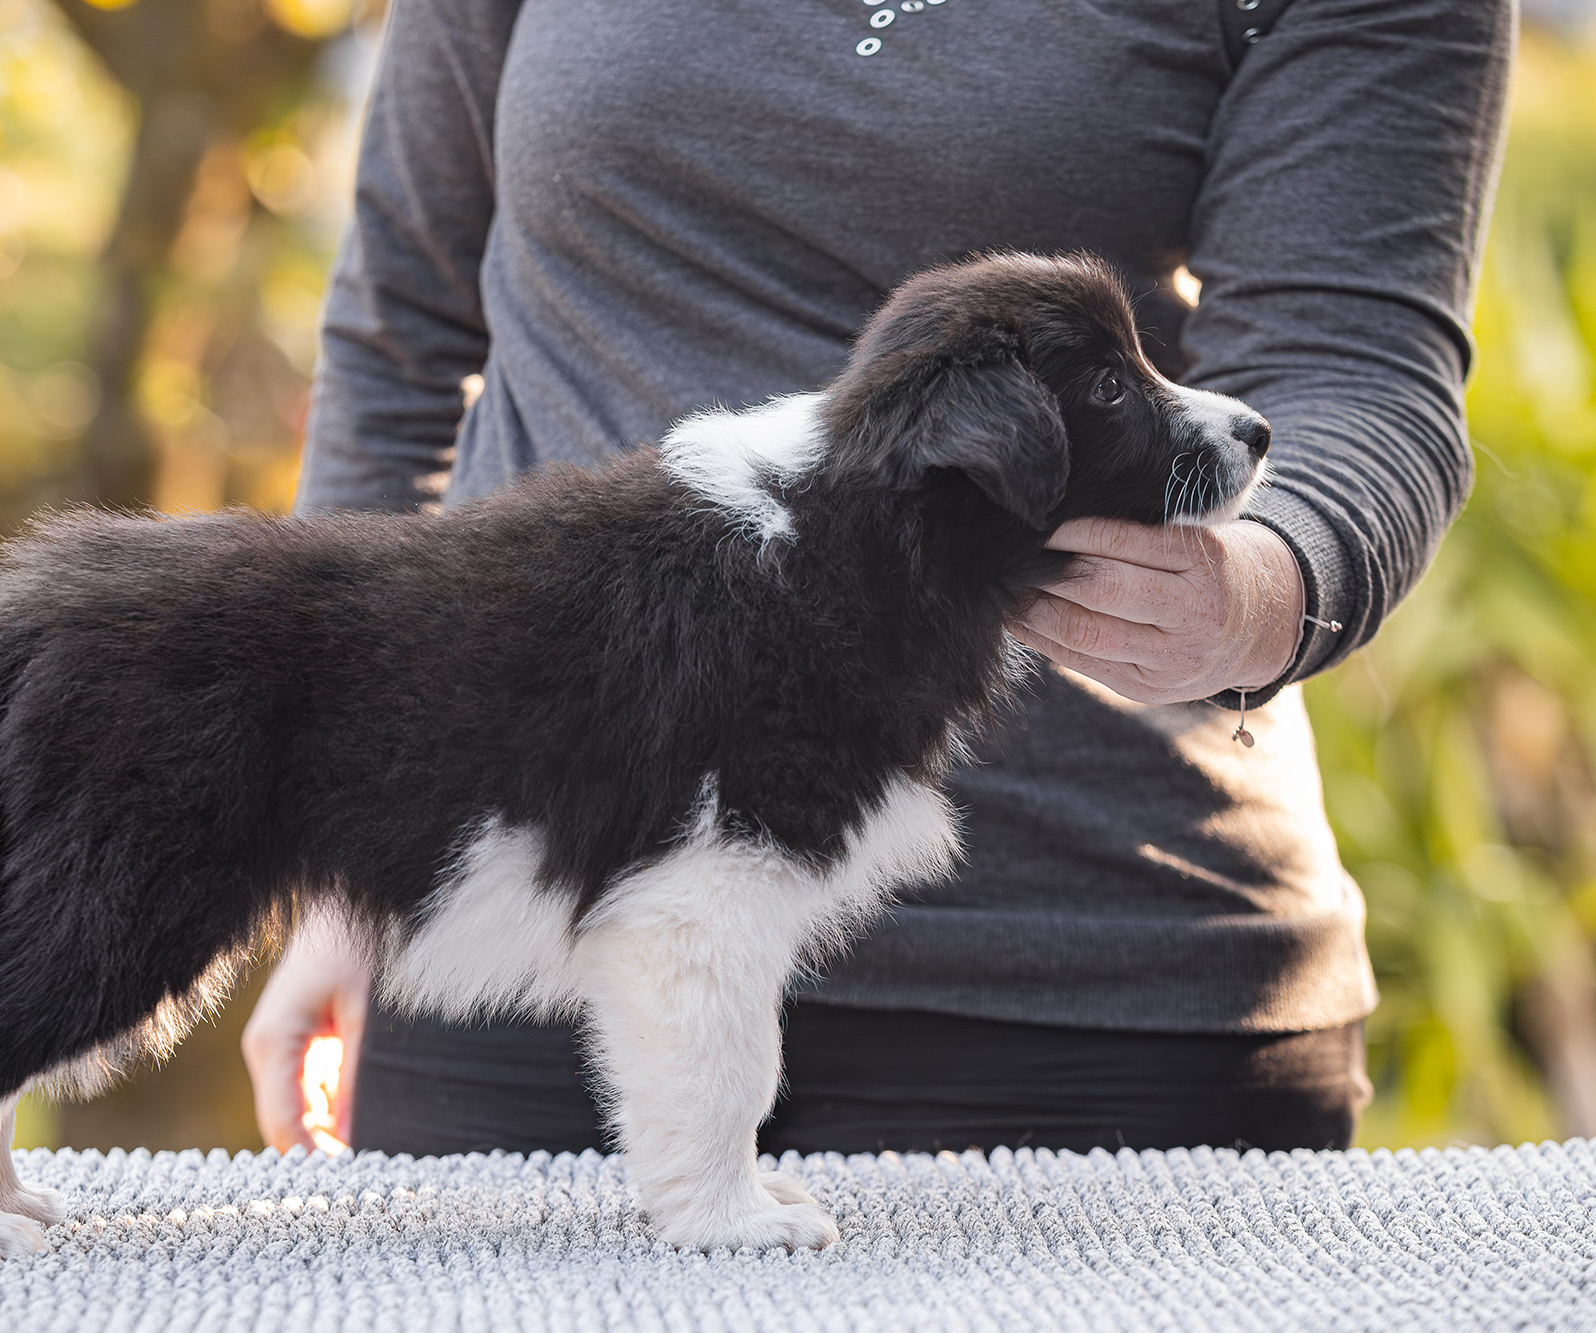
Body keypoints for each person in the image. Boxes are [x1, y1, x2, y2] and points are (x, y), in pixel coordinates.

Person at [243, 0, 1513, 1158]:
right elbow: (399, 329)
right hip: (541, 915)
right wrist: (338, 829)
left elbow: (1354, 362)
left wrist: (1257, 592)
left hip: (1097, 997)